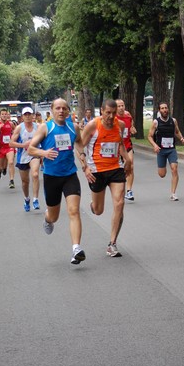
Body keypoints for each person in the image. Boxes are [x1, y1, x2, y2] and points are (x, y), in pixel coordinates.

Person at [27, 98, 86, 265]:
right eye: (58, 108)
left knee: (74, 211)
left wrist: (82, 158)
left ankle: (76, 249)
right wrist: (43, 153)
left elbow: (80, 143)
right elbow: (31, 148)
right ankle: (47, 219)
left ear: (68, 111)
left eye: (64, 108)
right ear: (52, 111)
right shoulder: (46, 127)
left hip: (70, 175)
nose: (61, 111)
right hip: (52, 177)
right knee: (54, 216)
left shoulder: (73, 127)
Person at [81, 99, 133, 258]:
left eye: (113, 113)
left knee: (120, 202)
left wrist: (127, 160)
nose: (111, 116)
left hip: (115, 168)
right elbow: (79, 146)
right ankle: (93, 205)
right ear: (101, 112)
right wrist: (85, 167)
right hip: (96, 170)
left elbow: (121, 145)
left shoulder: (120, 125)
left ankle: (112, 243)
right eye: (107, 113)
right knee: (98, 210)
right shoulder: (92, 125)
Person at [147, 101, 184, 201]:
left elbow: (176, 132)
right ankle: (163, 167)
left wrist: (181, 138)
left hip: (171, 149)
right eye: (162, 108)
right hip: (161, 150)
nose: (165, 110)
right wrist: (155, 145)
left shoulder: (173, 121)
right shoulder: (156, 122)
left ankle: (173, 193)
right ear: (159, 111)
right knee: (162, 174)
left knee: (174, 168)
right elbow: (150, 136)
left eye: (166, 108)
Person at [10, 107, 41, 212]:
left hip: (34, 154)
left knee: (35, 174)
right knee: (25, 182)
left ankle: (35, 199)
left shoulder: (38, 127)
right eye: (25, 114)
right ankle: (26, 198)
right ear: (23, 117)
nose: (28, 116)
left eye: (29, 114)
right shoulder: (19, 128)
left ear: (33, 116)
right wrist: (23, 145)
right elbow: (11, 143)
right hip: (22, 157)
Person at [116, 99, 137, 201]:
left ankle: (129, 191)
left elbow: (131, 123)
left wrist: (132, 127)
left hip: (127, 145)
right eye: (119, 106)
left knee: (131, 165)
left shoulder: (128, 115)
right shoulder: (113, 117)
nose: (121, 107)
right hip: (116, 147)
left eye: (122, 105)